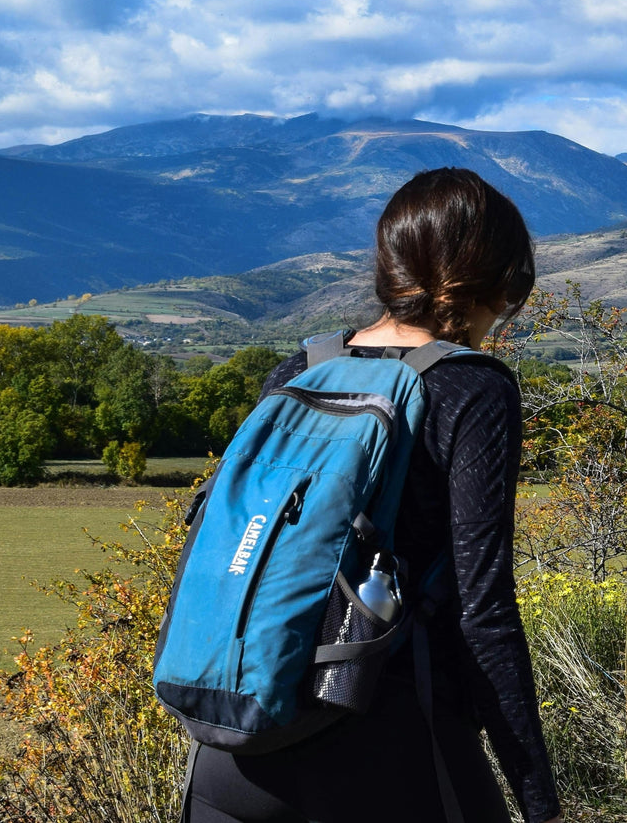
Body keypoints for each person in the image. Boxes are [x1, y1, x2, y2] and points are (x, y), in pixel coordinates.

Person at [187, 167, 562, 823]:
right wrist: (539, 800)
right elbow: (485, 613)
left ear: (387, 269)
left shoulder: (300, 370)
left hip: (232, 749)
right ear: (498, 281)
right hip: (388, 745)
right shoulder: (472, 390)